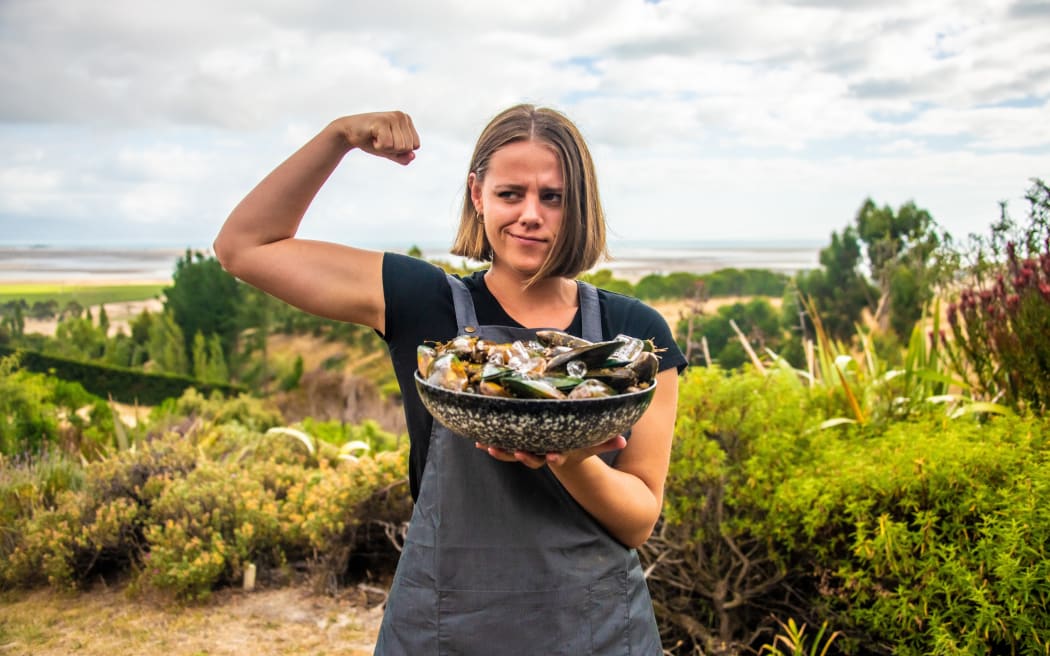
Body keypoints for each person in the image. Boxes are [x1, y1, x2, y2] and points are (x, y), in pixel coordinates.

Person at [214, 105, 686, 655]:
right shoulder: (422, 302)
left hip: (594, 628)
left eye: (552, 197)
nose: (531, 215)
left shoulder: (632, 335)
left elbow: (638, 521)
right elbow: (243, 248)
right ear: (477, 194)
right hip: (446, 626)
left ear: (578, 205)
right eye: (511, 194)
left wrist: (571, 457)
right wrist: (337, 137)